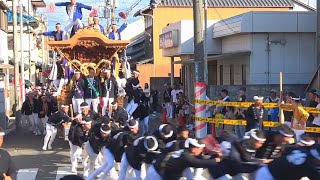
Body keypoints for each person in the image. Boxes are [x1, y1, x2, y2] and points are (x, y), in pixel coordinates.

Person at [146, 138, 220, 180]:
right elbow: (201, 163)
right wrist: (218, 159)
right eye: (200, 149)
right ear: (194, 149)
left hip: (156, 170)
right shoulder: (187, 158)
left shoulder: (185, 152)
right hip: (156, 175)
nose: (202, 151)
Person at [254, 144, 320, 180]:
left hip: (265, 170)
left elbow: (285, 149)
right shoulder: (308, 166)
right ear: (317, 158)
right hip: (270, 176)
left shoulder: (303, 150)